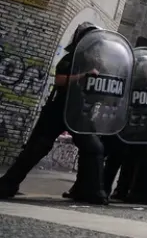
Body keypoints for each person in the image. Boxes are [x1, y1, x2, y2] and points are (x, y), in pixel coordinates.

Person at [0, 22, 100, 200]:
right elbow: (60, 80)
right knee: (37, 147)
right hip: (58, 108)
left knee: (93, 148)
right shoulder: (70, 58)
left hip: (78, 109)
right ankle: (7, 184)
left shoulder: (93, 62)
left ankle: (87, 190)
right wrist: (83, 76)